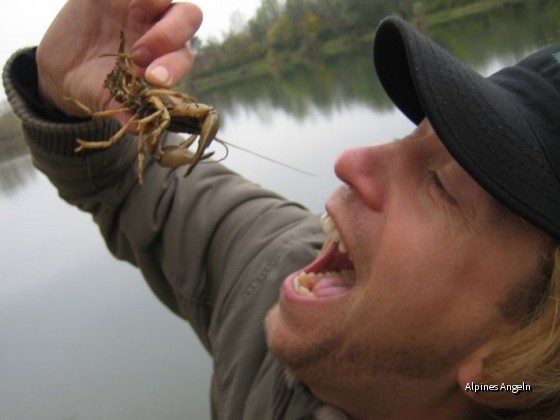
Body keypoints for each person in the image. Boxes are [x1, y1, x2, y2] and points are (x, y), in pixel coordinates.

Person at [4, 0, 560, 418]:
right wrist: (65, 92)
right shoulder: (272, 269)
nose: (350, 161)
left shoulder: (507, 382)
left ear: (523, 347)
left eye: (439, 184)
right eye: (409, 137)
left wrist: (499, 390)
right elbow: (130, 189)